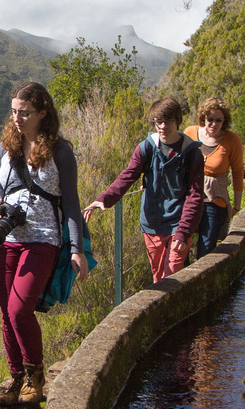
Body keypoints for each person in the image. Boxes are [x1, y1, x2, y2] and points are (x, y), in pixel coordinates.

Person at [0, 81, 87, 407]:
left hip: (43, 239)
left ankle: (35, 376)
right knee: (6, 312)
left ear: (43, 113)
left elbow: (71, 204)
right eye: (14, 111)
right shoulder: (5, 148)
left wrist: (76, 249)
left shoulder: (60, 152)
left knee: (19, 309)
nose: (17, 118)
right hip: (5, 238)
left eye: (25, 112)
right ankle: (15, 380)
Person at [81, 96, 203, 282]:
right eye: (158, 121)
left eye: (168, 121)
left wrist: (184, 231)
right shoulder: (147, 148)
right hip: (152, 223)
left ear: (178, 120)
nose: (163, 126)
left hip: (178, 222)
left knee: (173, 273)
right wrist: (104, 198)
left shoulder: (192, 153)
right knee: (158, 277)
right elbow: (128, 175)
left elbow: (195, 195)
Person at [185, 96, 244, 258]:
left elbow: (238, 172)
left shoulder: (232, 140)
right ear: (203, 118)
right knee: (180, 247)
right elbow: (175, 161)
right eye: (210, 119)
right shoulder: (190, 133)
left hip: (214, 202)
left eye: (219, 120)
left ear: (224, 121)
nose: (213, 124)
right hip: (188, 200)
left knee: (206, 250)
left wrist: (236, 206)